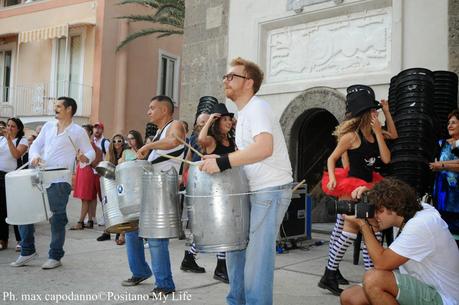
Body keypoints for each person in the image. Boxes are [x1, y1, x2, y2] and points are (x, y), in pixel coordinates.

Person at [200, 57, 293, 305]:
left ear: (248, 82)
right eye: (225, 77)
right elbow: (249, 156)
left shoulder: (258, 108)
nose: (225, 81)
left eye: (232, 76)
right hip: (253, 190)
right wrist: (220, 159)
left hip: (270, 190)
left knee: (257, 258)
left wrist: (222, 162)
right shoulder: (244, 113)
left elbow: (264, 148)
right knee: (235, 249)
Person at [318, 90, 397, 295]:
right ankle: (354, 276)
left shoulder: (374, 134)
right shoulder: (352, 136)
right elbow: (331, 159)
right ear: (364, 114)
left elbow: (387, 159)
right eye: (373, 111)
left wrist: (382, 126)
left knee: (366, 231)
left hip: (369, 186)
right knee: (356, 231)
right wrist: (334, 178)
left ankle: (343, 275)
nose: (376, 114)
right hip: (352, 188)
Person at [340, 177, 459, 305]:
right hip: (422, 286)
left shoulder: (421, 224)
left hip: (444, 298)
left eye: (379, 210)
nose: (375, 215)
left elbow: (381, 263)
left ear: (394, 205)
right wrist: (370, 194)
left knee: (374, 279)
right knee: (350, 297)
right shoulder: (412, 212)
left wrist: (362, 224)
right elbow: (394, 193)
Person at [11, 97, 95, 269]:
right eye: (55, 106)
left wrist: (84, 158)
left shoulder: (78, 131)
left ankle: (55, 256)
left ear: (69, 109)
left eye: (58, 106)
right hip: (38, 175)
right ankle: (27, 250)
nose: (55, 109)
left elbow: (90, 151)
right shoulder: (49, 126)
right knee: (24, 212)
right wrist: (34, 157)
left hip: (59, 179)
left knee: (56, 218)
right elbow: (35, 146)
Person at [132, 95, 186, 296]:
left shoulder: (176, 125)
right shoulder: (157, 134)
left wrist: (147, 146)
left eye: (152, 108)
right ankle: (140, 271)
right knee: (130, 229)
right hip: (151, 186)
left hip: (162, 187)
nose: (148, 111)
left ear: (164, 110)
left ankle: (164, 284)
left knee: (156, 238)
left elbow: (174, 141)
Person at [180, 103, 235, 283]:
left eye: (230, 119)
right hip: (213, 189)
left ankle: (189, 257)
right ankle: (220, 267)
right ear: (217, 122)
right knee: (222, 226)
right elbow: (200, 139)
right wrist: (211, 118)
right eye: (225, 119)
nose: (229, 122)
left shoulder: (231, 139)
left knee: (215, 226)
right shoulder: (211, 140)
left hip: (228, 187)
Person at [0, 118, 28, 251]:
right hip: (0, 176)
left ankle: (20, 239)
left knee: (13, 210)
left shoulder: (22, 140)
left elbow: (16, 155)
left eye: (13, 126)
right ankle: (2, 239)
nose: (9, 128)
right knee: (1, 211)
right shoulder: (1, 140)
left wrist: (9, 140)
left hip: (12, 177)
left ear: (18, 129)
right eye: (8, 125)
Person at [430, 109, 459, 234]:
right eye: (448, 123)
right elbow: (433, 164)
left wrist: (442, 165)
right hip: (442, 193)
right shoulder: (441, 144)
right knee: (445, 232)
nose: (449, 126)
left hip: (457, 195)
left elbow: (438, 164)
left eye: (453, 122)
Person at [69, 124, 103, 230]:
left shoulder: (91, 146)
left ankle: (80, 222)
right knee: (90, 197)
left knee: (85, 197)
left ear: (89, 133)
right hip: (83, 170)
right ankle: (90, 220)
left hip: (87, 171)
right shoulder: (83, 145)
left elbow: (95, 160)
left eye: (83, 131)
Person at [97, 134, 127, 244]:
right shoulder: (110, 153)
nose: (117, 143)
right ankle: (107, 231)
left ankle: (121, 233)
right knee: (108, 205)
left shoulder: (125, 152)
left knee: (121, 208)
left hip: (122, 182)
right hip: (112, 182)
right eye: (114, 141)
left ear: (123, 142)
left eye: (119, 141)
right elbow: (106, 167)